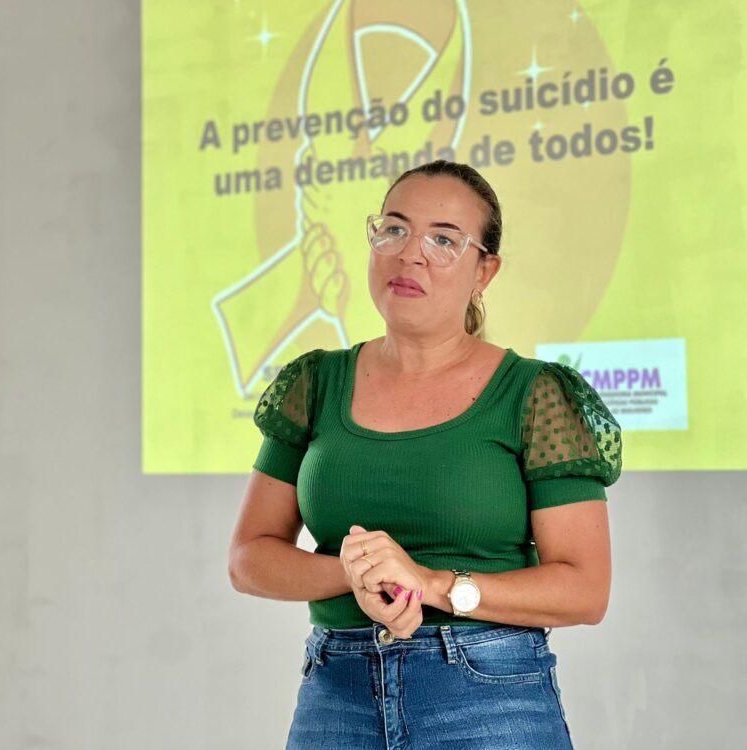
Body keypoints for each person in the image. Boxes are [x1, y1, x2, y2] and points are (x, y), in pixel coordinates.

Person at [228, 160, 622, 749]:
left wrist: (430, 585)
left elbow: (585, 590)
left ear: (484, 271)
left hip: (490, 698)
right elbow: (248, 558)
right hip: (336, 696)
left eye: (443, 239)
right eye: (394, 229)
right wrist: (355, 575)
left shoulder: (536, 394)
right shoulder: (315, 382)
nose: (410, 254)